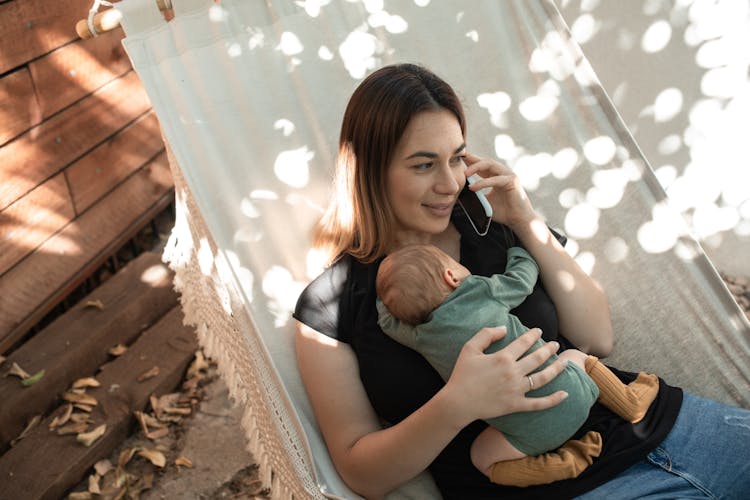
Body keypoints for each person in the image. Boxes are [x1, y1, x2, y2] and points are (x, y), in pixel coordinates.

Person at [293, 63, 750, 499]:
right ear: (370, 171)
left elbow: (598, 338)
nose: (451, 183)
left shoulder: (497, 235)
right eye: (423, 165)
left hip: (664, 425)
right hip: (554, 484)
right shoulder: (332, 303)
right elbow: (362, 475)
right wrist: (459, 402)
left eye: (456, 158)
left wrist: (525, 219)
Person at [375, 243, 659, 486]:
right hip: (574, 395)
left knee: (482, 458)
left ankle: (566, 464)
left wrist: (388, 296)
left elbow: (386, 322)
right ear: (451, 276)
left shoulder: (420, 335)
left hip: (529, 437)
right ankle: (630, 402)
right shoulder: (478, 291)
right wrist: (519, 253)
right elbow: (522, 280)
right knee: (576, 357)